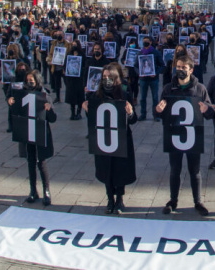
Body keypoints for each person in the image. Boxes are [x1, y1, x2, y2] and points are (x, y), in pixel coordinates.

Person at [155, 55, 214, 216]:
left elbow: (210, 112)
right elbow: (161, 110)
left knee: (194, 170)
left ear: (191, 70)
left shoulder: (200, 88)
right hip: (174, 133)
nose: (180, 70)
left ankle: (198, 201)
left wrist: (206, 109)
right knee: (175, 169)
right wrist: (158, 111)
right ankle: (173, 200)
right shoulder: (168, 88)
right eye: (178, 67)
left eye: (183, 68)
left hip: (193, 134)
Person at [82, 64, 137, 214]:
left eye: (109, 77)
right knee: (106, 169)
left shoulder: (124, 92)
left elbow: (133, 119)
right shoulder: (97, 94)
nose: (106, 80)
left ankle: (119, 198)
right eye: (104, 77)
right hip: (104, 138)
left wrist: (130, 113)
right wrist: (87, 109)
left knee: (120, 169)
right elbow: (93, 119)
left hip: (121, 137)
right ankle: (109, 198)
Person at [8, 70, 57, 206]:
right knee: (30, 161)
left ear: (37, 81)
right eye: (27, 80)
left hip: (40, 131)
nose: (29, 83)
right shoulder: (23, 93)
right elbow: (16, 112)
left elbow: (53, 119)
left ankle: (46, 190)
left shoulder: (44, 95)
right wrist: (11, 103)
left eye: (32, 81)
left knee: (41, 162)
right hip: (27, 131)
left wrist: (49, 109)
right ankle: (33, 190)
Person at [136, 36, 165, 121]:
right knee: (142, 98)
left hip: (153, 79)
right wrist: (139, 73)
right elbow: (135, 66)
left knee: (155, 98)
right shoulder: (140, 53)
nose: (145, 43)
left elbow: (162, 65)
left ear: (150, 42)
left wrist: (156, 72)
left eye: (147, 41)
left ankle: (156, 115)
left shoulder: (156, 52)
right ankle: (143, 114)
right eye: (144, 41)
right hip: (143, 79)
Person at [48, 30, 72, 103]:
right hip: (56, 67)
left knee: (67, 83)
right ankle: (58, 97)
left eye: (60, 34)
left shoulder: (67, 44)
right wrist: (51, 60)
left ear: (63, 36)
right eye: (57, 34)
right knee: (57, 83)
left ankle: (69, 97)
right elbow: (50, 54)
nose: (58, 36)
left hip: (64, 67)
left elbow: (69, 54)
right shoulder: (53, 44)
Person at [65, 40, 85, 120]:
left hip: (79, 80)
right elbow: (65, 65)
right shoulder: (69, 55)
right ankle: (72, 113)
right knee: (71, 97)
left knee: (79, 97)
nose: (74, 46)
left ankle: (79, 112)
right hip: (71, 79)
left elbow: (84, 65)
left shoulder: (82, 55)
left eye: (75, 44)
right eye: (72, 44)